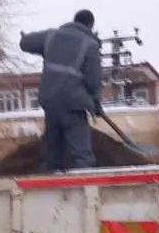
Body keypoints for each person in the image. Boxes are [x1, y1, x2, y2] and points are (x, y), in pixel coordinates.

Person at [18, 9, 103, 173]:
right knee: (81, 153)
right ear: (90, 25)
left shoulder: (51, 35)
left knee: (53, 148)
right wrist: (96, 102)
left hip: (49, 100)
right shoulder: (90, 45)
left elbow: (25, 44)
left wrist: (24, 37)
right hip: (73, 102)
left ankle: (51, 178)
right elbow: (93, 80)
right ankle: (85, 180)